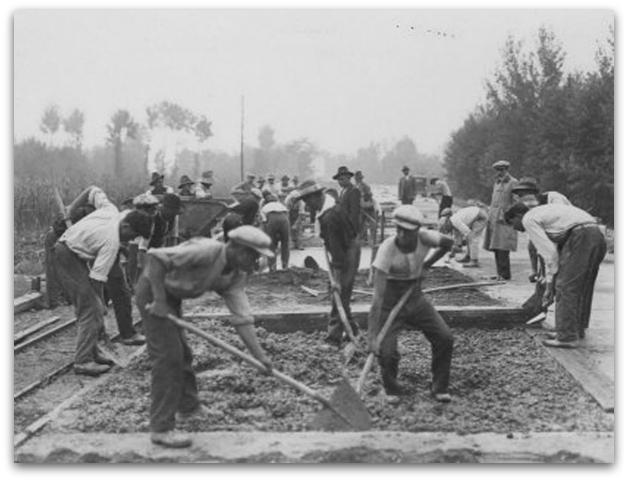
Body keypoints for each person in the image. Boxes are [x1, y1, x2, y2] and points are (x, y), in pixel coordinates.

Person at [136, 225, 274, 448]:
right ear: (240, 250)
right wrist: (160, 301)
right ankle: (161, 428)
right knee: (168, 358)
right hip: (153, 291)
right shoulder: (206, 250)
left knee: (183, 353)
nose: (255, 263)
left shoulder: (235, 275)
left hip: (172, 297)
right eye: (254, 256)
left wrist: (260, 357)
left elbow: (242, 318)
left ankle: (188, 407)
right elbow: (155, 258)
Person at [53, 190, 153, 376]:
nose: (131, 240)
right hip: (67, 256)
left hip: (74, 253)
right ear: (126, 225)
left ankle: (94, 350)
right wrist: (100, 303)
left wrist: (72, 206)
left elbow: (93, 190)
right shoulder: (111, 242)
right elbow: (96, 280)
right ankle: (83, 361)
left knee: (93, 308)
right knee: (91, 309)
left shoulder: (110, 209)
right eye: (132, 235)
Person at [368, 205, 455, 401]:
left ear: (417, 231)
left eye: (407, 231)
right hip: (389, 300)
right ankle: (391, 389)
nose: (401, 234)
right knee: (387, 352)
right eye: (398, 228)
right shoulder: (387, 249)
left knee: (445, 338)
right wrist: (372, 336)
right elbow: (377, 299)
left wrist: (426, 264)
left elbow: (449, 243)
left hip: (415, 297)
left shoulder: (426, 238)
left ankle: (439, 386)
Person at [505, 202, 606, 348]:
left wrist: (549, 286)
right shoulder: (544, 214)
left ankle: (567, 337)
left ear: (518, 216)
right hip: (595, 234)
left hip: (581, 236)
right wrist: (550, 283)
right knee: (580, 286)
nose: (514, 228)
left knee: (565, 287)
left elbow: (549, 255)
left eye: (511, 222)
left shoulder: (528, 219)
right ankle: (574, 330)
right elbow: (556, 254)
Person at [295, 180, 359, 346]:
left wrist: (336, 279)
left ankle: (333, 339)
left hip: (348, 251)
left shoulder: (330, 217)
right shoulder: (328, 209)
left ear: (316, 197)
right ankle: (353, 329)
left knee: (338, 293)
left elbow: (338, 256)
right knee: (339, 293)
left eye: (307, 201)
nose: (307, 205)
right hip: (345, 248)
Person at [511, 178, 572, 282]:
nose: (523, 198)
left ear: (534, 193)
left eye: (524, 194)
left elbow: (561, 219)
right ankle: (537, 272)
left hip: (568, 229)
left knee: (555, 252)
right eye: (520, 196)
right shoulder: (532, 208)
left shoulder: (554, 198)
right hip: (553, 231)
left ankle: (554, 276)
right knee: (533, 243)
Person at [483, 160, 518, 280]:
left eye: (501, 170)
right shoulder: (496, 183)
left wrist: (509, 215)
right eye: (497, 170)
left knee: (503, 246)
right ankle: (499, 273)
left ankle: (505, 274)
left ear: (506, 170)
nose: (499, 172)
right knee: (495, 246)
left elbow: (516, 202)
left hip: (505, 219)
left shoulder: (513, 182)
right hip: (493, 218)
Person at [259, 193, 290, 271]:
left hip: (272, 218)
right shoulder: (282, 205)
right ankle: (285, 266)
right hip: (285, 219)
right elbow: (286, 216)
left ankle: (273, 267)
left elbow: (264, 222)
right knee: (285, 244)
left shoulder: (264, 208)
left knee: (271, 245)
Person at [354, 170, 380, 247]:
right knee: (361, 224)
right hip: (361, 207)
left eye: (359, 178)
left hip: (368, 207)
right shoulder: (355, 186)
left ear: (361, 178)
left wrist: (364, 195)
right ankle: (363, 240)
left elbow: (369, 195)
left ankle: (373, 240)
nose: (357, 179)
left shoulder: (365, 186)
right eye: (356, 178)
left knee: (372, 224)